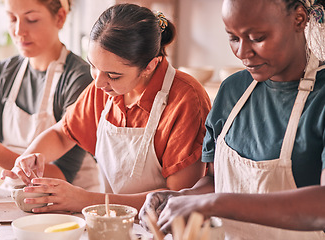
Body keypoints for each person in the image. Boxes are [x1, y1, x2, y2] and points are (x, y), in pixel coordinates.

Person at [139, 0, 325, 239]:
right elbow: (217, 182)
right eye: (233, 38)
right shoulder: (232, 91)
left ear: (299, 19)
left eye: (257, 38)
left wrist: (212, 204)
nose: (242, 52)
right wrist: (183, 198)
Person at [1, 3, 211, 213]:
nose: (99, 83)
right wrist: (30, 157)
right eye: (93, 65)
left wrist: (86, 200)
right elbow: (62, 134)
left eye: (113, 75)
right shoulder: (104, 88)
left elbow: (177, 199)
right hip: (113, 220)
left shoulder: (186, 99)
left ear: (150, 66)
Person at [0, 0, 96, 188]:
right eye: (12, 18)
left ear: (60, 17)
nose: (19, 31)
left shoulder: (80, 79)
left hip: (70, 206)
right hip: (17, 199)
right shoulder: (4, 72)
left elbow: (61, 175)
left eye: (32, 19)